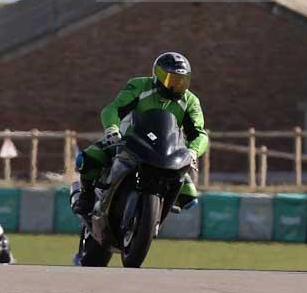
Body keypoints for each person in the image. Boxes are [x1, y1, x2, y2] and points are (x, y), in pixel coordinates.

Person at [72, 52, 208, 216]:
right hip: (129, 141)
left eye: (181, 81)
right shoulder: (139, 85)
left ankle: (158, 213)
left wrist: (193, 151)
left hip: (168, 151)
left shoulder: (191, 101)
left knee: (189, 196)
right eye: (171, 79)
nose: (176, 85)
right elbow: (113, 108)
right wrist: (112, 129)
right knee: (87, 160)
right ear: (157, 75)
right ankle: (86, 196)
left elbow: (199, 133)